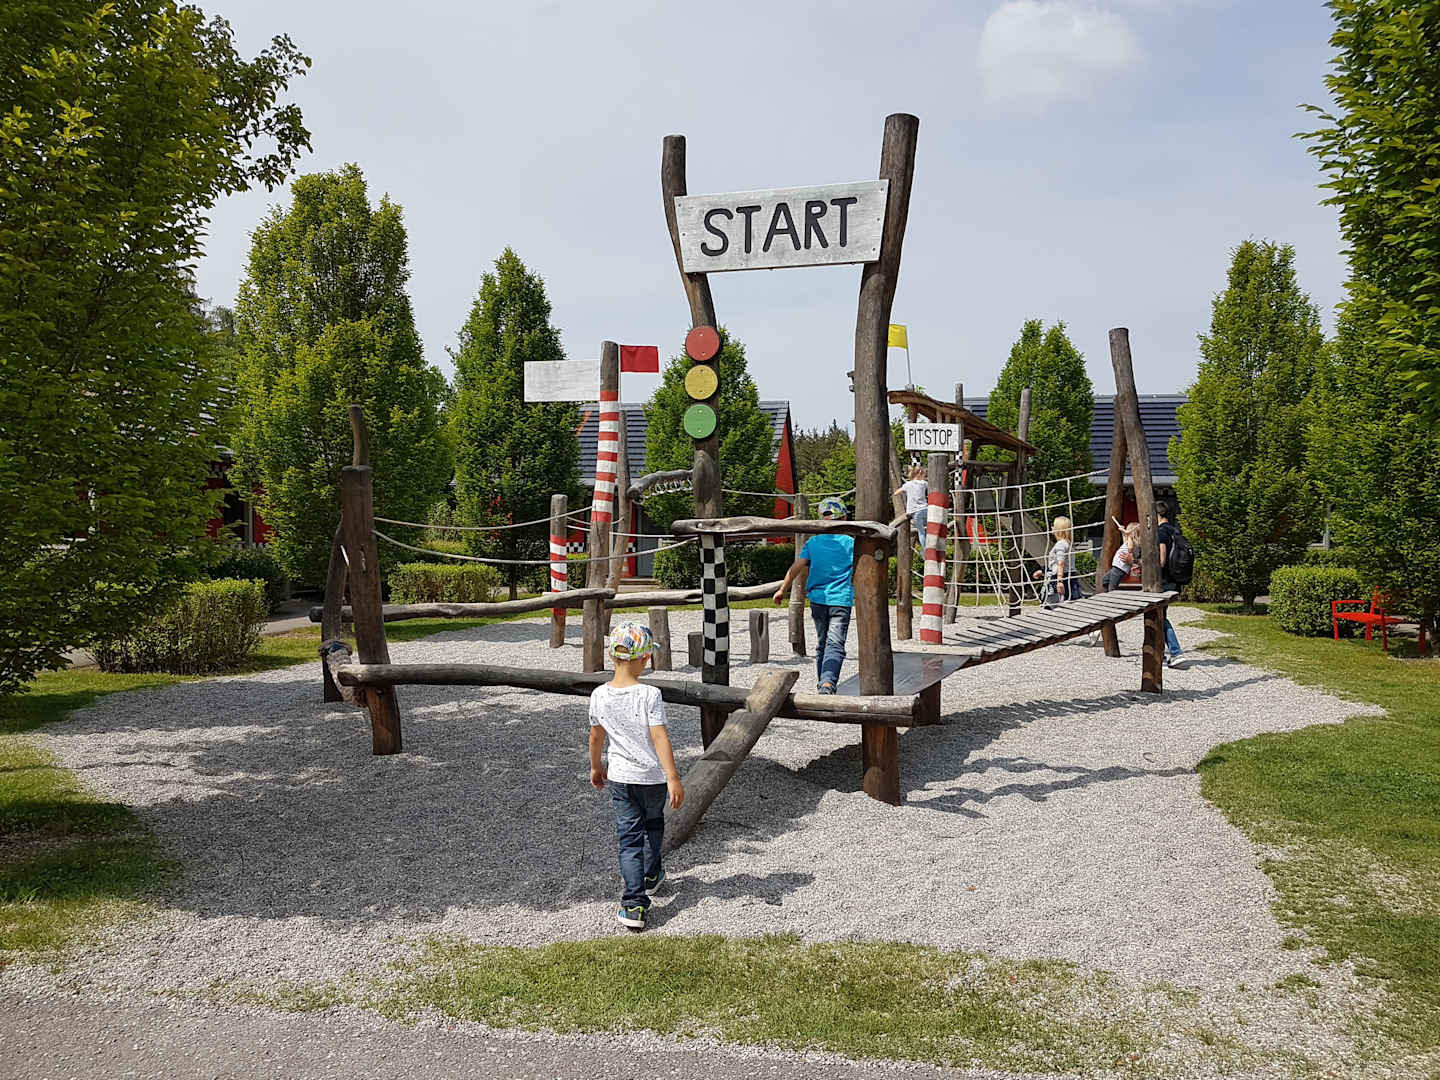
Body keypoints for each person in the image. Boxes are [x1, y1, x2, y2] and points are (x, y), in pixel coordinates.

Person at [588, 622, 684, 931]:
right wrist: (672, 776)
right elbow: (659, 737)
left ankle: (633, 904)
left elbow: (596, 736)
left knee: (629, 841)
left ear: (612, 656)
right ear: (644, 658)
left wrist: (595, 766)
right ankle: (651, 874)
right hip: (652, 778)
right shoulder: (649, 694)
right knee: (653, 825)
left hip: (620, 778)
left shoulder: (599, 695)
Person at [772, 496, 854, 695]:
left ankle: (823, 684)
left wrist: (782, 589)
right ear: (844, 518)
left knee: (822, 644)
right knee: (835, 644)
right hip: (840, 600)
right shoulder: (851, 543)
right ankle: (827, 683)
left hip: (818, 601)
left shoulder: (813, 543)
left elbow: (796, 567)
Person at [1156, 502, 1187, 668]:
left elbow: (1161, 560)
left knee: (1160, 617)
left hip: (1164, 581)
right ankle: (1159, 654)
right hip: (1175, 578)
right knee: (1159, 616)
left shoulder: (1161, 532)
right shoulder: (1175, 530)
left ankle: (1175, 652)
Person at [1032, 516, 1080, 606]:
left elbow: (1060, 563)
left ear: (1059, 529)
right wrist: (1042, 571)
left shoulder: (1060, 544)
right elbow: (1057, 564)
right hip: (1071, 577)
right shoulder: (1068, 544)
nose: (1052, 527)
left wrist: (1059, 581)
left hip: (1061, 579)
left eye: (1054, 525)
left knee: (1053, 605)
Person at [894, 465, 928, 540]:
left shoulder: (908, 485)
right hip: (925, 509)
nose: (924, 477)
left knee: (921, 532)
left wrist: (906, 492)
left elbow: (896, 493)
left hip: (914, 511)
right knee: (928, 530)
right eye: (924, 475)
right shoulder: (924, 483)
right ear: (919, 473)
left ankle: (925, 547)